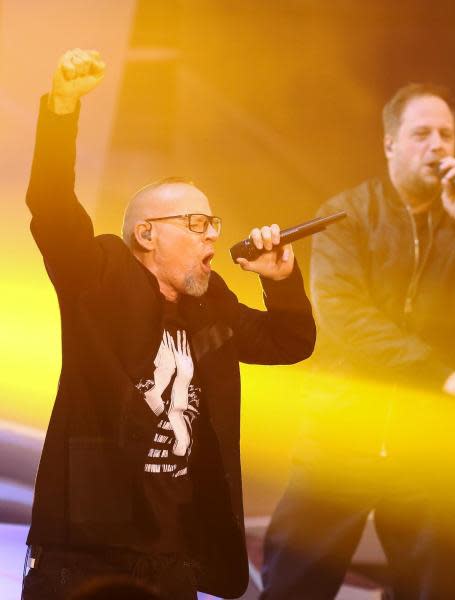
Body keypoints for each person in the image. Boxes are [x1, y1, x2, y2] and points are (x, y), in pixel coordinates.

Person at [22, 48, 316, 600]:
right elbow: (53, 206)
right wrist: (61, 109)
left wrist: (280, 280)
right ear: (147, 235)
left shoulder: (212, 306)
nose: (211, 236)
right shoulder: (101, 277)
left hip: (175, 557)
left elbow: (289, 342)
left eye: (213, 224)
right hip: (87, 550)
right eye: (196, 223)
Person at [259, 83, 455, 599]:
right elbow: (345, 317)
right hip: (343, 435)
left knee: (436, 586)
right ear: (389, 144)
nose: (438, 146)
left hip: (427, 447)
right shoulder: (347, 216)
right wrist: (442, 374)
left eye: (447, 135)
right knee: (293, 586)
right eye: (422, 134)